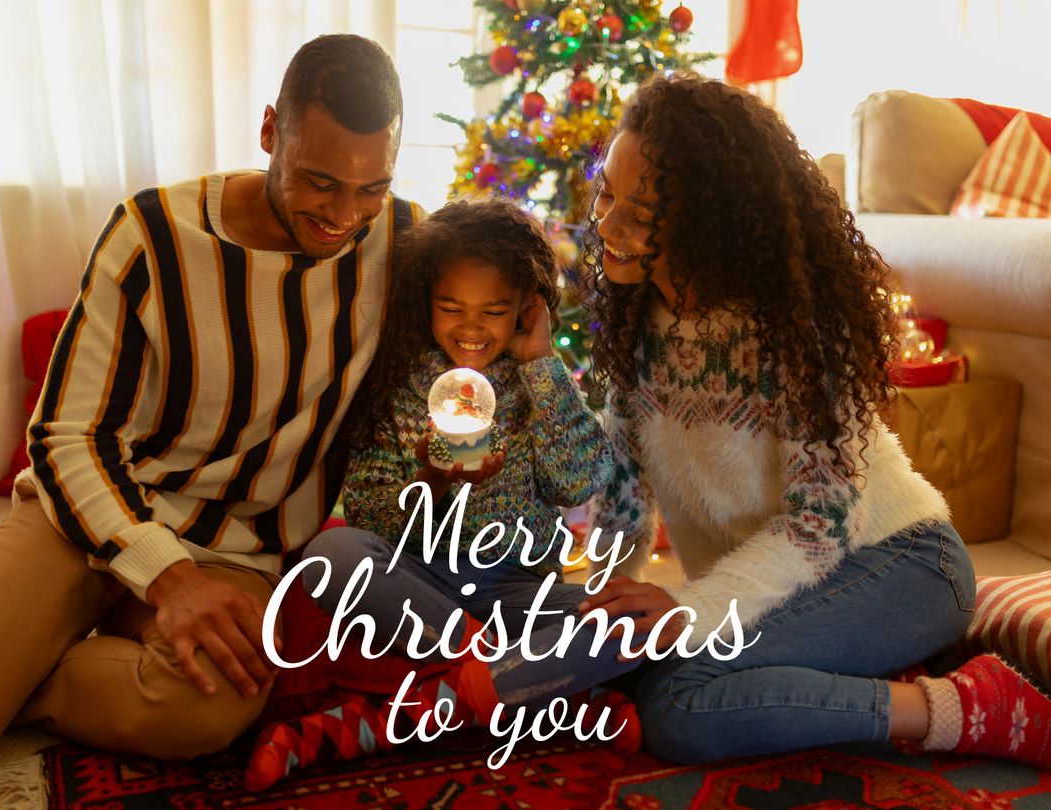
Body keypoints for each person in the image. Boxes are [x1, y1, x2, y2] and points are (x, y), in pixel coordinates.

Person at [0, 34, 421, 767]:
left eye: (372, 186)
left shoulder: (400, 238)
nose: (347, 213)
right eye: (320, 181)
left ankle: (21, 681)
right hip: (87, 520)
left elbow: (481, 310)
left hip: (236, 548)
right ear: (271, 130)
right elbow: (64, 436)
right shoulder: (151, 234)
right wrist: (167, 579)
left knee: (214, 698)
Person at [578, 73, 1051, 767]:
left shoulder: (793, 334)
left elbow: (818, 531)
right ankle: (852, 668)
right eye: (604, 194)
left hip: (902, 568)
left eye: (639, 213)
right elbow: (622, 500)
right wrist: (606, 613)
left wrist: (691, 613)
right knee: (602, 659)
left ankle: (964, 706)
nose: (606, 226)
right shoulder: (635, 324)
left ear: (708, 218)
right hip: (779, 591)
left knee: (680, 707)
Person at [243, 197, 640, 791]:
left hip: (516, 591)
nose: (472, 328)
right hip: (419, 583)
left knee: (638, 622)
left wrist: (540, 361)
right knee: (332, 555)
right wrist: (434, 479)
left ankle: (386, 718)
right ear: (425, 302)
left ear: (525, 311)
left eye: (495, 311)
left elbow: (583, 479)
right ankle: (537, 692)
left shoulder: (534, 379)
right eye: (451, 307)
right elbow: (369, 513)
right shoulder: (403, 380)